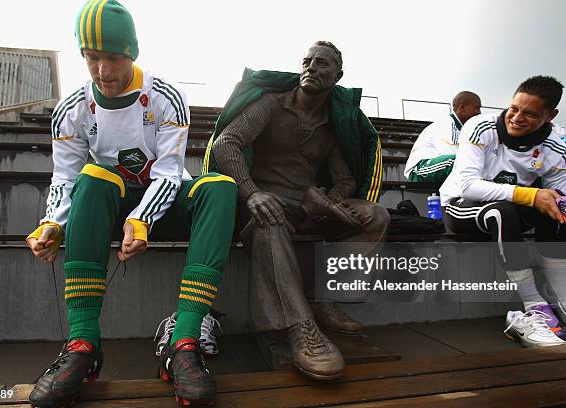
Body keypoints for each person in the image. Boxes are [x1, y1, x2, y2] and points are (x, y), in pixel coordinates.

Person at [25, 1, 237, 406]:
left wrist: (141, 219)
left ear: (132, 53)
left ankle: (184, 342)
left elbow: (170, 173)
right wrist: (52, 223)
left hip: (163, 207)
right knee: (93, 176)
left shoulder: (166, 97)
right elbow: (64, 178)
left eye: (113, 58)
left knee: (220, 186)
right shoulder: (70, 110)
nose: (103, 71)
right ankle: (83, 345)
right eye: (92, 58)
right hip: (109, 208)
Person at [205, 41, 390, 380]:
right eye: (308, 61)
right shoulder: (271, 105)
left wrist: (330, 202)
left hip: (309, 204)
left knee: (376, 216)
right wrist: (251, 193)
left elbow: (345, 177)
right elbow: (225, 143)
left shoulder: (333, 122)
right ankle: (300, 327)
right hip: (265, 199)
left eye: (322, 64)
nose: (312, 68)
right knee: (270, 221)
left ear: (338, 76)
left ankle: (323, 299)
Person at [440, 75, 566, 348]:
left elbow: (559, 196)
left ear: (550, 115)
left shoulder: (555, 145)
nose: (517, 118)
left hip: (511, 208)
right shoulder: (480, 127)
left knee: (558, 210)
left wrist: (554, 202)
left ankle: (562, 300)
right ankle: (534, 304)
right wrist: (530, 194)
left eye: (530, 113)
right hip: (460, 207)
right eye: (514, 108)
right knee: (503, 211)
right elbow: (468, 187)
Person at [404, 91, 482, 185]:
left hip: (438, 167)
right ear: (462, 108)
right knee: (460, 161)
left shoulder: (464, 128)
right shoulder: (448, 125)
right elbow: (458, 155)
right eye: (476, 108)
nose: (479, 112)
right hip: (419, 169)